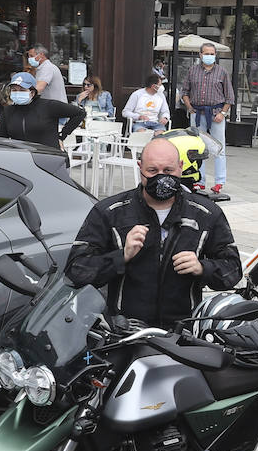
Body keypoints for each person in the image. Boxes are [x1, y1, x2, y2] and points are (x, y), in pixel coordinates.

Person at [65, 137, 240, 328]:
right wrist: (121, 256)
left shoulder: (205, 213)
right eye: (152, 170)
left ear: (180, 167)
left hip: (183, 331)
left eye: (168, 170)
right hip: (125, 331)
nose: (161, 177)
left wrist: (202, 268)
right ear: (140, 167)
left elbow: (232, 270)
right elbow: (77, 270)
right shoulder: (110, 211)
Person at [179, 42, 235, 195]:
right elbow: (185, 91)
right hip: (197, 113)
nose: (209, 56)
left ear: (215, 55)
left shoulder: (222, 72)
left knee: (219, 148)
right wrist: (189, 107)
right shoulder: (193, 71)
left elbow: (229, 97)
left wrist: (222, 113)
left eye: (212, 53)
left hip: (216, 113)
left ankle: (219, 182)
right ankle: (200, 180)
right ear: (200, 54)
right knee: (197, 148)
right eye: (206, 53)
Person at [0, 72, 84, 149]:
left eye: (22, 90)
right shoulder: (8, 111)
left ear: (32, 92)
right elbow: (0, 138)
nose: (18, 93)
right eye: (14, 90)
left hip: (48, 157)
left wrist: (62, 135)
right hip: (21, 157)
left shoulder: (48, 106)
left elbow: (80, 113)